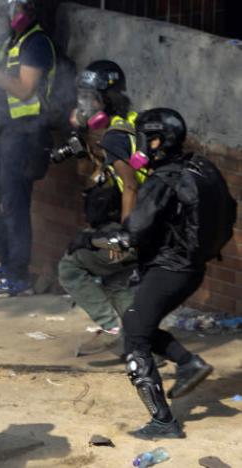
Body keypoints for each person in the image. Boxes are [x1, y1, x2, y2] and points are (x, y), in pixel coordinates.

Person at [88, 108, 236, 439]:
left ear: (156, 141)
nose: (140, 146)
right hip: (192, 268)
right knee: (138, 322)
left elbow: (131, 235)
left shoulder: (162, 180)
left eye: (143, 139)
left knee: (135, 338)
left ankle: (163, 422)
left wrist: (90, 240)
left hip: (169, 269)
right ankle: (188, 363)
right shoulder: (202, 168)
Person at [57, 60, 147, 354]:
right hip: (146, 223)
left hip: (135, 226)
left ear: (107, 100)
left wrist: (123, 236)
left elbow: (130, 187)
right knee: (117, 282)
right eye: (82, 97)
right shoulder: (128, 124)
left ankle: (111, 328)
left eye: (91, 98)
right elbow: (103, 178)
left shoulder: (116, 136)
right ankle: (139, 346)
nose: (84, 105)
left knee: (70, 266)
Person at [0, 0, 56, 297]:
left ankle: (18, 277)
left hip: (27, 134)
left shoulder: (36, 43)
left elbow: (24, 90)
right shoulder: (12, 42)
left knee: (15, 207)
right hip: (6, 132)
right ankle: (9, 264)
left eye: (6, 10)